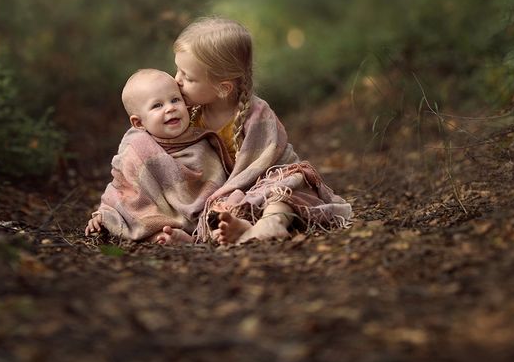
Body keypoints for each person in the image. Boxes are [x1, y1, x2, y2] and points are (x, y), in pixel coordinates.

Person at [173, 17, 352, 244]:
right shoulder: (187, 114)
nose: (177, 80)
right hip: (217, 192)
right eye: (177, 71)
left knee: (286, 189)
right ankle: (230, 226)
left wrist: (253, 189)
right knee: (211, 207)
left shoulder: (257, 114)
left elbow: (269, 162)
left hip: (262, 183)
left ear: (223, 88)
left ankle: (272, 223)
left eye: (187, 77)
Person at [85, 69, 231, 244]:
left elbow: (217, 182)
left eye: (175, 100)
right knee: (137, 211)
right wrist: (105, 213)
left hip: (199, 213)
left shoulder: (202, 143)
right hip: (154, 211)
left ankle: (195, 232)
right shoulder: (137, 147)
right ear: (138, 123)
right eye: (157, 105)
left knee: (225, 207)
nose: (170, 108)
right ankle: (161, 232)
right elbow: (123, 188)